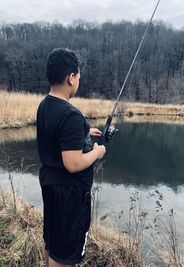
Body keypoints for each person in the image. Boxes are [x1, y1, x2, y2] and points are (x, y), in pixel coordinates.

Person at [36, 48, 106, 267]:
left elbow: (57, 136)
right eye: (78, 77)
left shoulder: (45, 105)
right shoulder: (70, 114)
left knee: (53, 242)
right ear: (70, 78)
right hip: (69, 195)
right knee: (64, 254)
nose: (78, 81)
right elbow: (73, 163)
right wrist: (96, 152)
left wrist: (84, 133)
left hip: (51, 185)